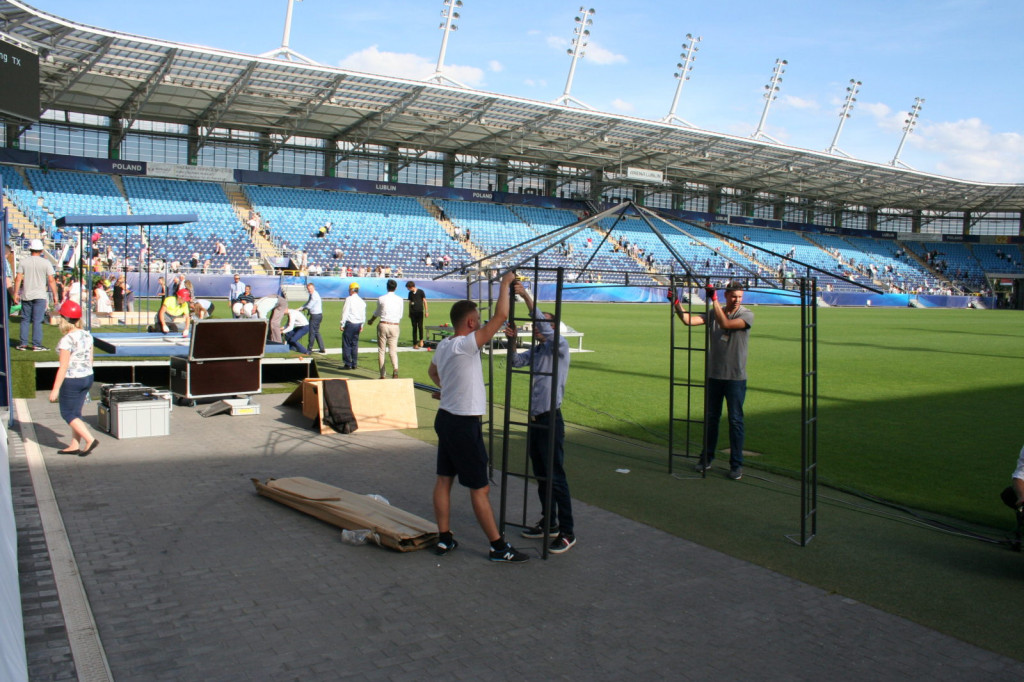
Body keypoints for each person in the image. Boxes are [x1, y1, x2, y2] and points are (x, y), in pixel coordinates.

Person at [428, 271, 528, 562]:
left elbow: (433, 373)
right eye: (478, 321)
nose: (483, 325)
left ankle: (445, 538)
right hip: (462, 423)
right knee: (479, 487)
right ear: (470, 323)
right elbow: (500, 317)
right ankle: (498, 547)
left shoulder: (446, 345)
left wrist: (447, 390)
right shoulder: (464, 344)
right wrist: (505, 284)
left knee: (444, 479)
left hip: (446, 418)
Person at [504, 282, 575, 553]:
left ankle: (568, 531)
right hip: (536, 420)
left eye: (543, 323)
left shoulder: (560, 347)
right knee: (541, 475)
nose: (537, 327)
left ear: (553, 328)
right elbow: (514, 362)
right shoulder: (538, 350)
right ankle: (550, 522)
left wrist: (525, 297)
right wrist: (511, 341)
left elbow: (544, 327)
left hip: (551, 419)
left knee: (555, 476)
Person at [672, 281, 754, 480]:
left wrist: (714, 300)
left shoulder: (747, 314)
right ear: (726, 295)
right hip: (714, 376)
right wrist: (676, 303)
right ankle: (706, 458)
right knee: (711, 419)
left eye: (740, 297)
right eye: (734, 296)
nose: (737, 300)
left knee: (735, 421)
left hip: (735, 377)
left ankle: (736, 465)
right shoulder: (713, 313)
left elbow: (726, 324)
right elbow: (689, 321)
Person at [48, 300, 98, 456]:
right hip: (87, 376)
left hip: (72, 379)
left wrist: (55, 390)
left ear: (64, 320)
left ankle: (90, 439)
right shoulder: (87, 335)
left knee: (67, 413)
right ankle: (74, 445)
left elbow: (63, 366)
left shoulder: (67, 340)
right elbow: (90, 358)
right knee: (76, 412)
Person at [12, 238, 58, 351]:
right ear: (41, 250)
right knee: (37, 320)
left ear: (30, 249)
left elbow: (18, 279)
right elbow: (51, 280)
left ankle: (23, 343)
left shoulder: (23, 262)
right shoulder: (46, 263)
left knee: (25, 319)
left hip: (27, 294)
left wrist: (15, 293)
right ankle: (36, 344)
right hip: (40, 295)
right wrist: (55, 295)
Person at [366, 278, 403, 379]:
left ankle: (382, 374)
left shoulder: (381, 298)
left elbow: (377, 312)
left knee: (382, 350)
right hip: (395, 325)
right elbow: (400, 315)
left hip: (383, 323)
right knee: (393, 350)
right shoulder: (400, 299)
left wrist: (371, 320)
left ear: (387, 287)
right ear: (395, 288)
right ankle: (395, 368)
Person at [340, 281, 366, 370]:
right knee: (355, 344)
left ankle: (347, 363)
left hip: (350, 323)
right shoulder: (362, 301)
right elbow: (363, 314)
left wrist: (342, 323)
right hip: (358, 324)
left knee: (347, 343)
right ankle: (354, 363)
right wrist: (362, 325)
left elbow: (345, 312)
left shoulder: (349, 299)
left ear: (351, 290)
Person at [300, 282, 326, 354]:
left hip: (315, 316)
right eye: (308, 289)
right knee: (316, 332)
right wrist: (301, 307)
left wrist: (303, 308)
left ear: (313, 288)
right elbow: (307, 303)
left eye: (310, 288)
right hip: (317, 315)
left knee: (312, 332)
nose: (309, 290)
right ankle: (322, 348)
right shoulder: (312, 294)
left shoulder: (314, 295)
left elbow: (309, 305)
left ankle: (309, 348)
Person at [406, 281, 429, 349]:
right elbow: (410, 303)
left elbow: (424, 301)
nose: (408, 289)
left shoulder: (421, 292)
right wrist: (409, 312)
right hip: (413, 312)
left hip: (419, 312)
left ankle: (421, 340)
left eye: (408, 288)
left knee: (420, 326)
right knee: (414, 327)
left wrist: (426, 311)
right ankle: (415, 343)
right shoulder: (410, 293)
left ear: (411, 287)